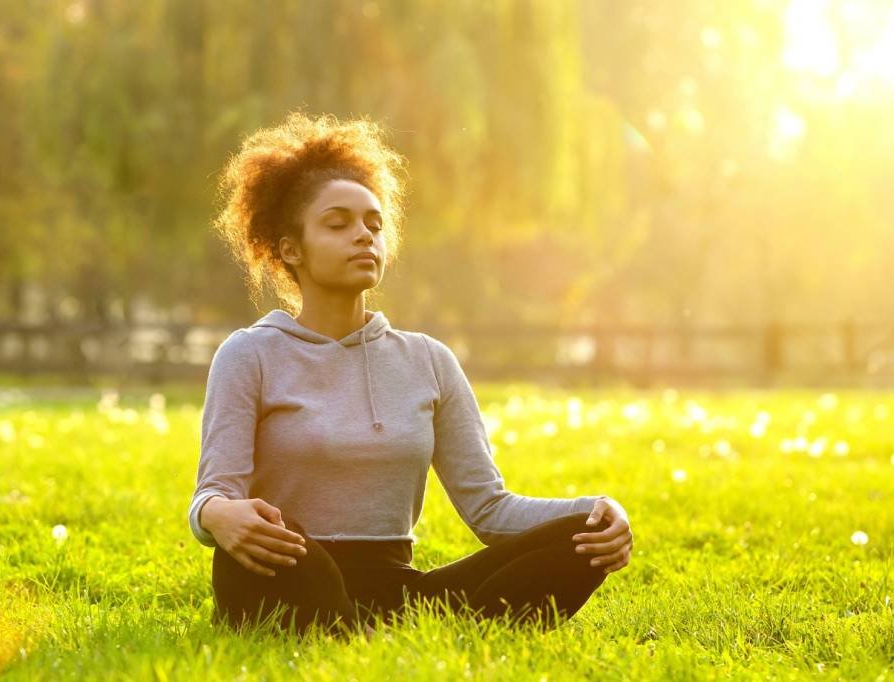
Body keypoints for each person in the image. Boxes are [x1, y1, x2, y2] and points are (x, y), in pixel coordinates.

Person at [188, 111, 633, 638]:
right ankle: (351, 629)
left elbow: (489, 508)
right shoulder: (249, 354)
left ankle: (358, 631)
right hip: (287, 568)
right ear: (290, 248)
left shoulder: (428, 360)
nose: (363, 236)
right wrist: (218, 516)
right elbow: (213, 493)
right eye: (338, 224)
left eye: (373, 225)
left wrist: (599, 511)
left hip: (397, 590)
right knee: (280, 558)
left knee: (583, 539)